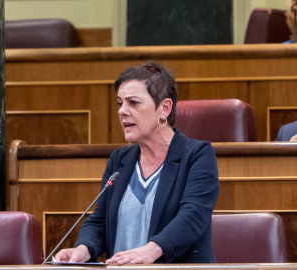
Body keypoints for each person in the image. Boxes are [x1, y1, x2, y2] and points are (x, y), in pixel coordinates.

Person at [55, 62, 220, 264]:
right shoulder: (119, 160)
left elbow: (193, 217)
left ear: (164, 108)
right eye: (120, 103)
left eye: (133, 102)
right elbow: (99, 222)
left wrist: (153, 250)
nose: (122, 111)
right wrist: (84, 248)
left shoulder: (197, 155)